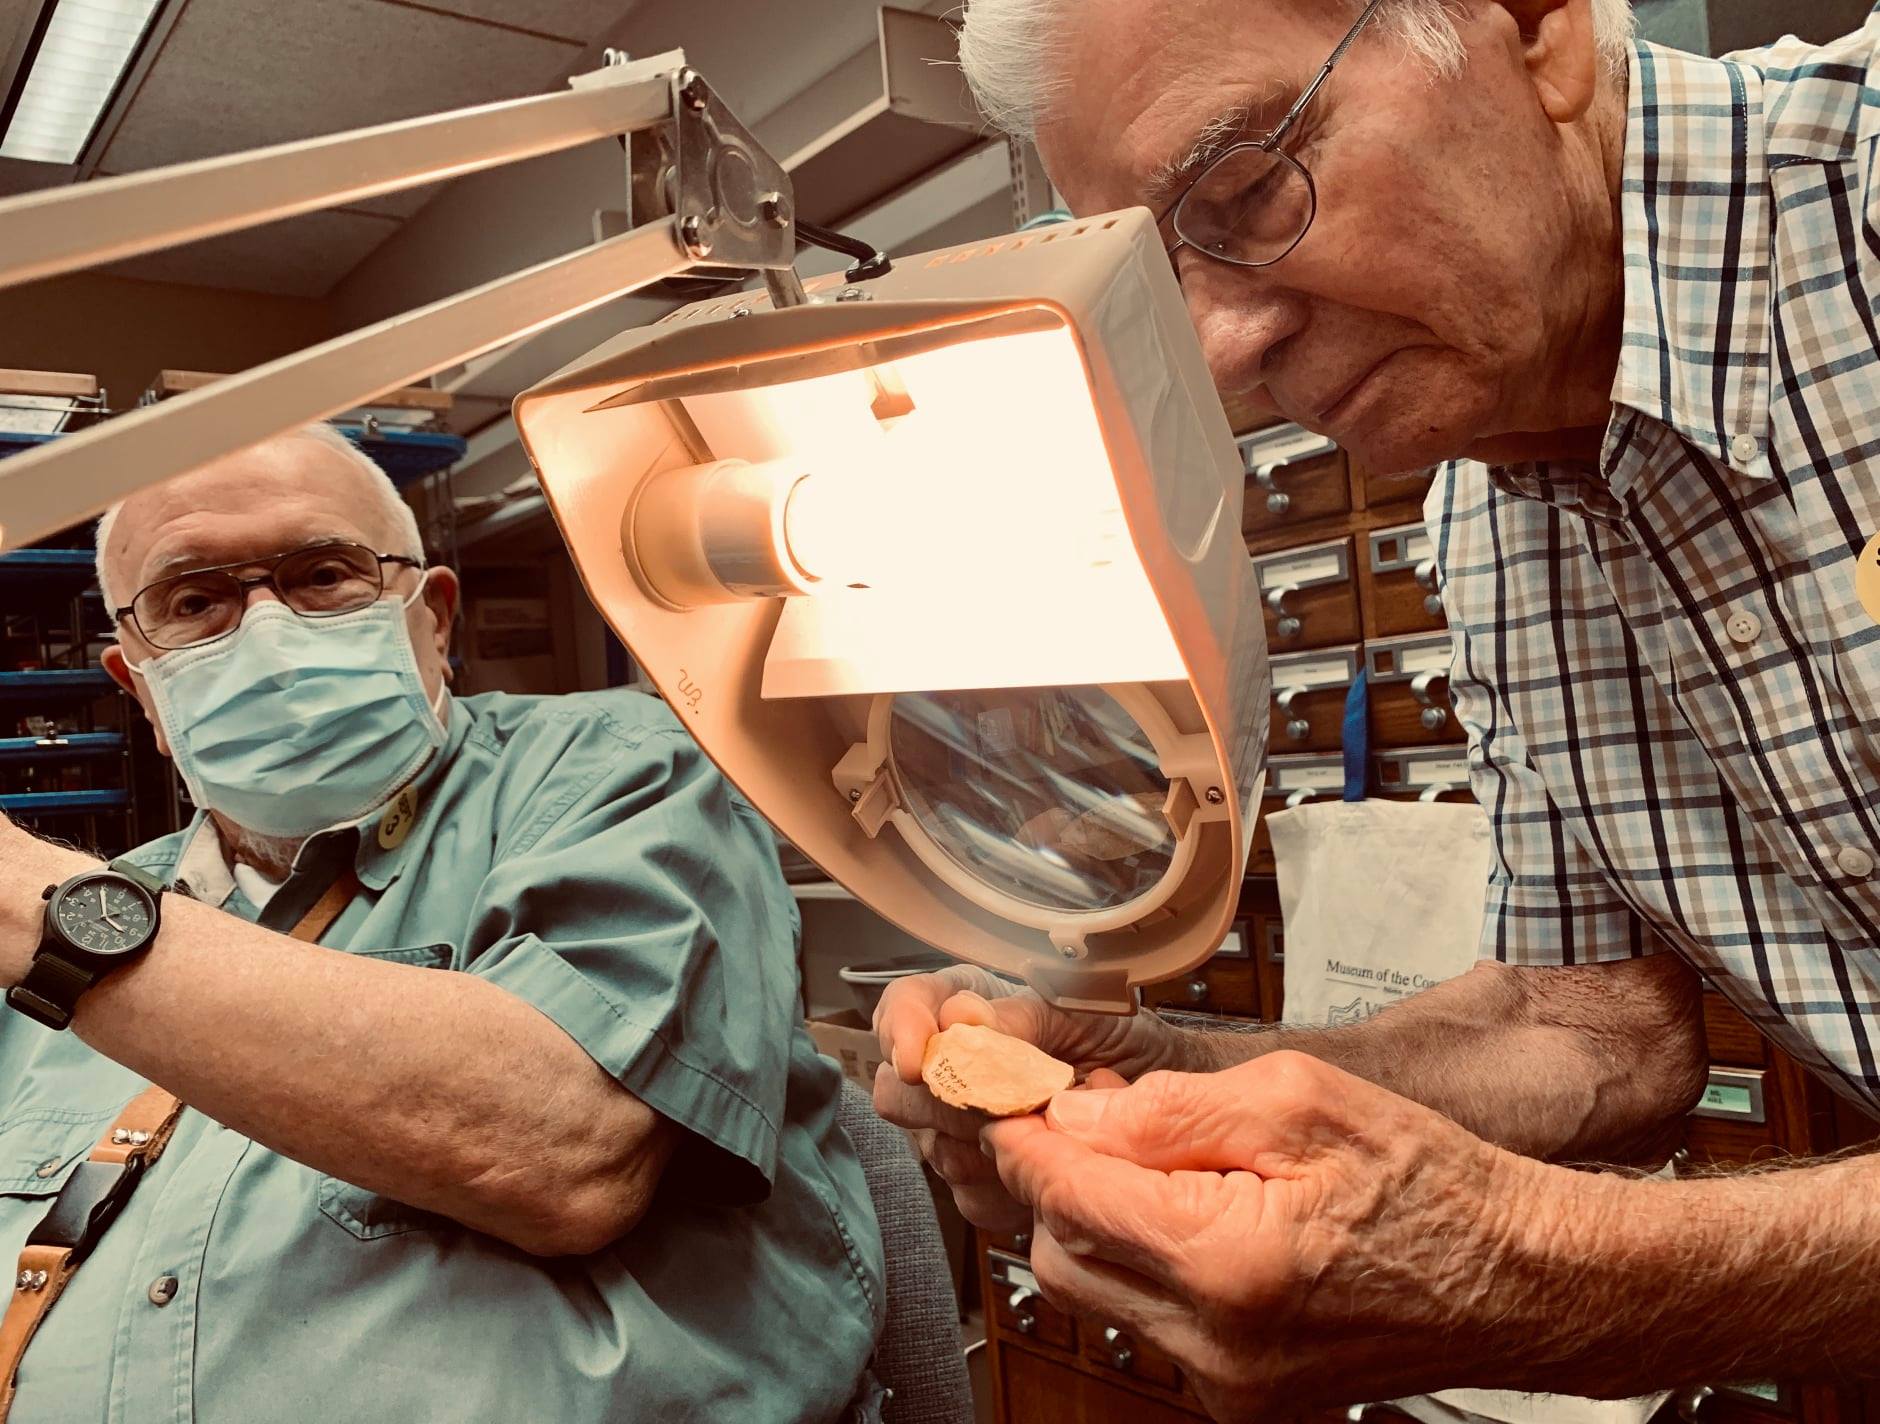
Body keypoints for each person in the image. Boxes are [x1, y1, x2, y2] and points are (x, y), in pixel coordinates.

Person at [876, 0, 1880, 1416]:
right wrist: (1170, 1076)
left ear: (1537, 28)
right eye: (1165, 279)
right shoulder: (1486, 515)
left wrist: (1548, 1273)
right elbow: (1602, 1033)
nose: (1219, 353)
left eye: (1244, 191)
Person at [0, 424, 884, 1423]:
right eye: (194, 600)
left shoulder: (612, 772)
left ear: (432, 619)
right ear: (139, 688)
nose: (266, 630)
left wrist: (25, 896)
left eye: (322, 572)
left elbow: (569, 1148)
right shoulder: (103, 906)